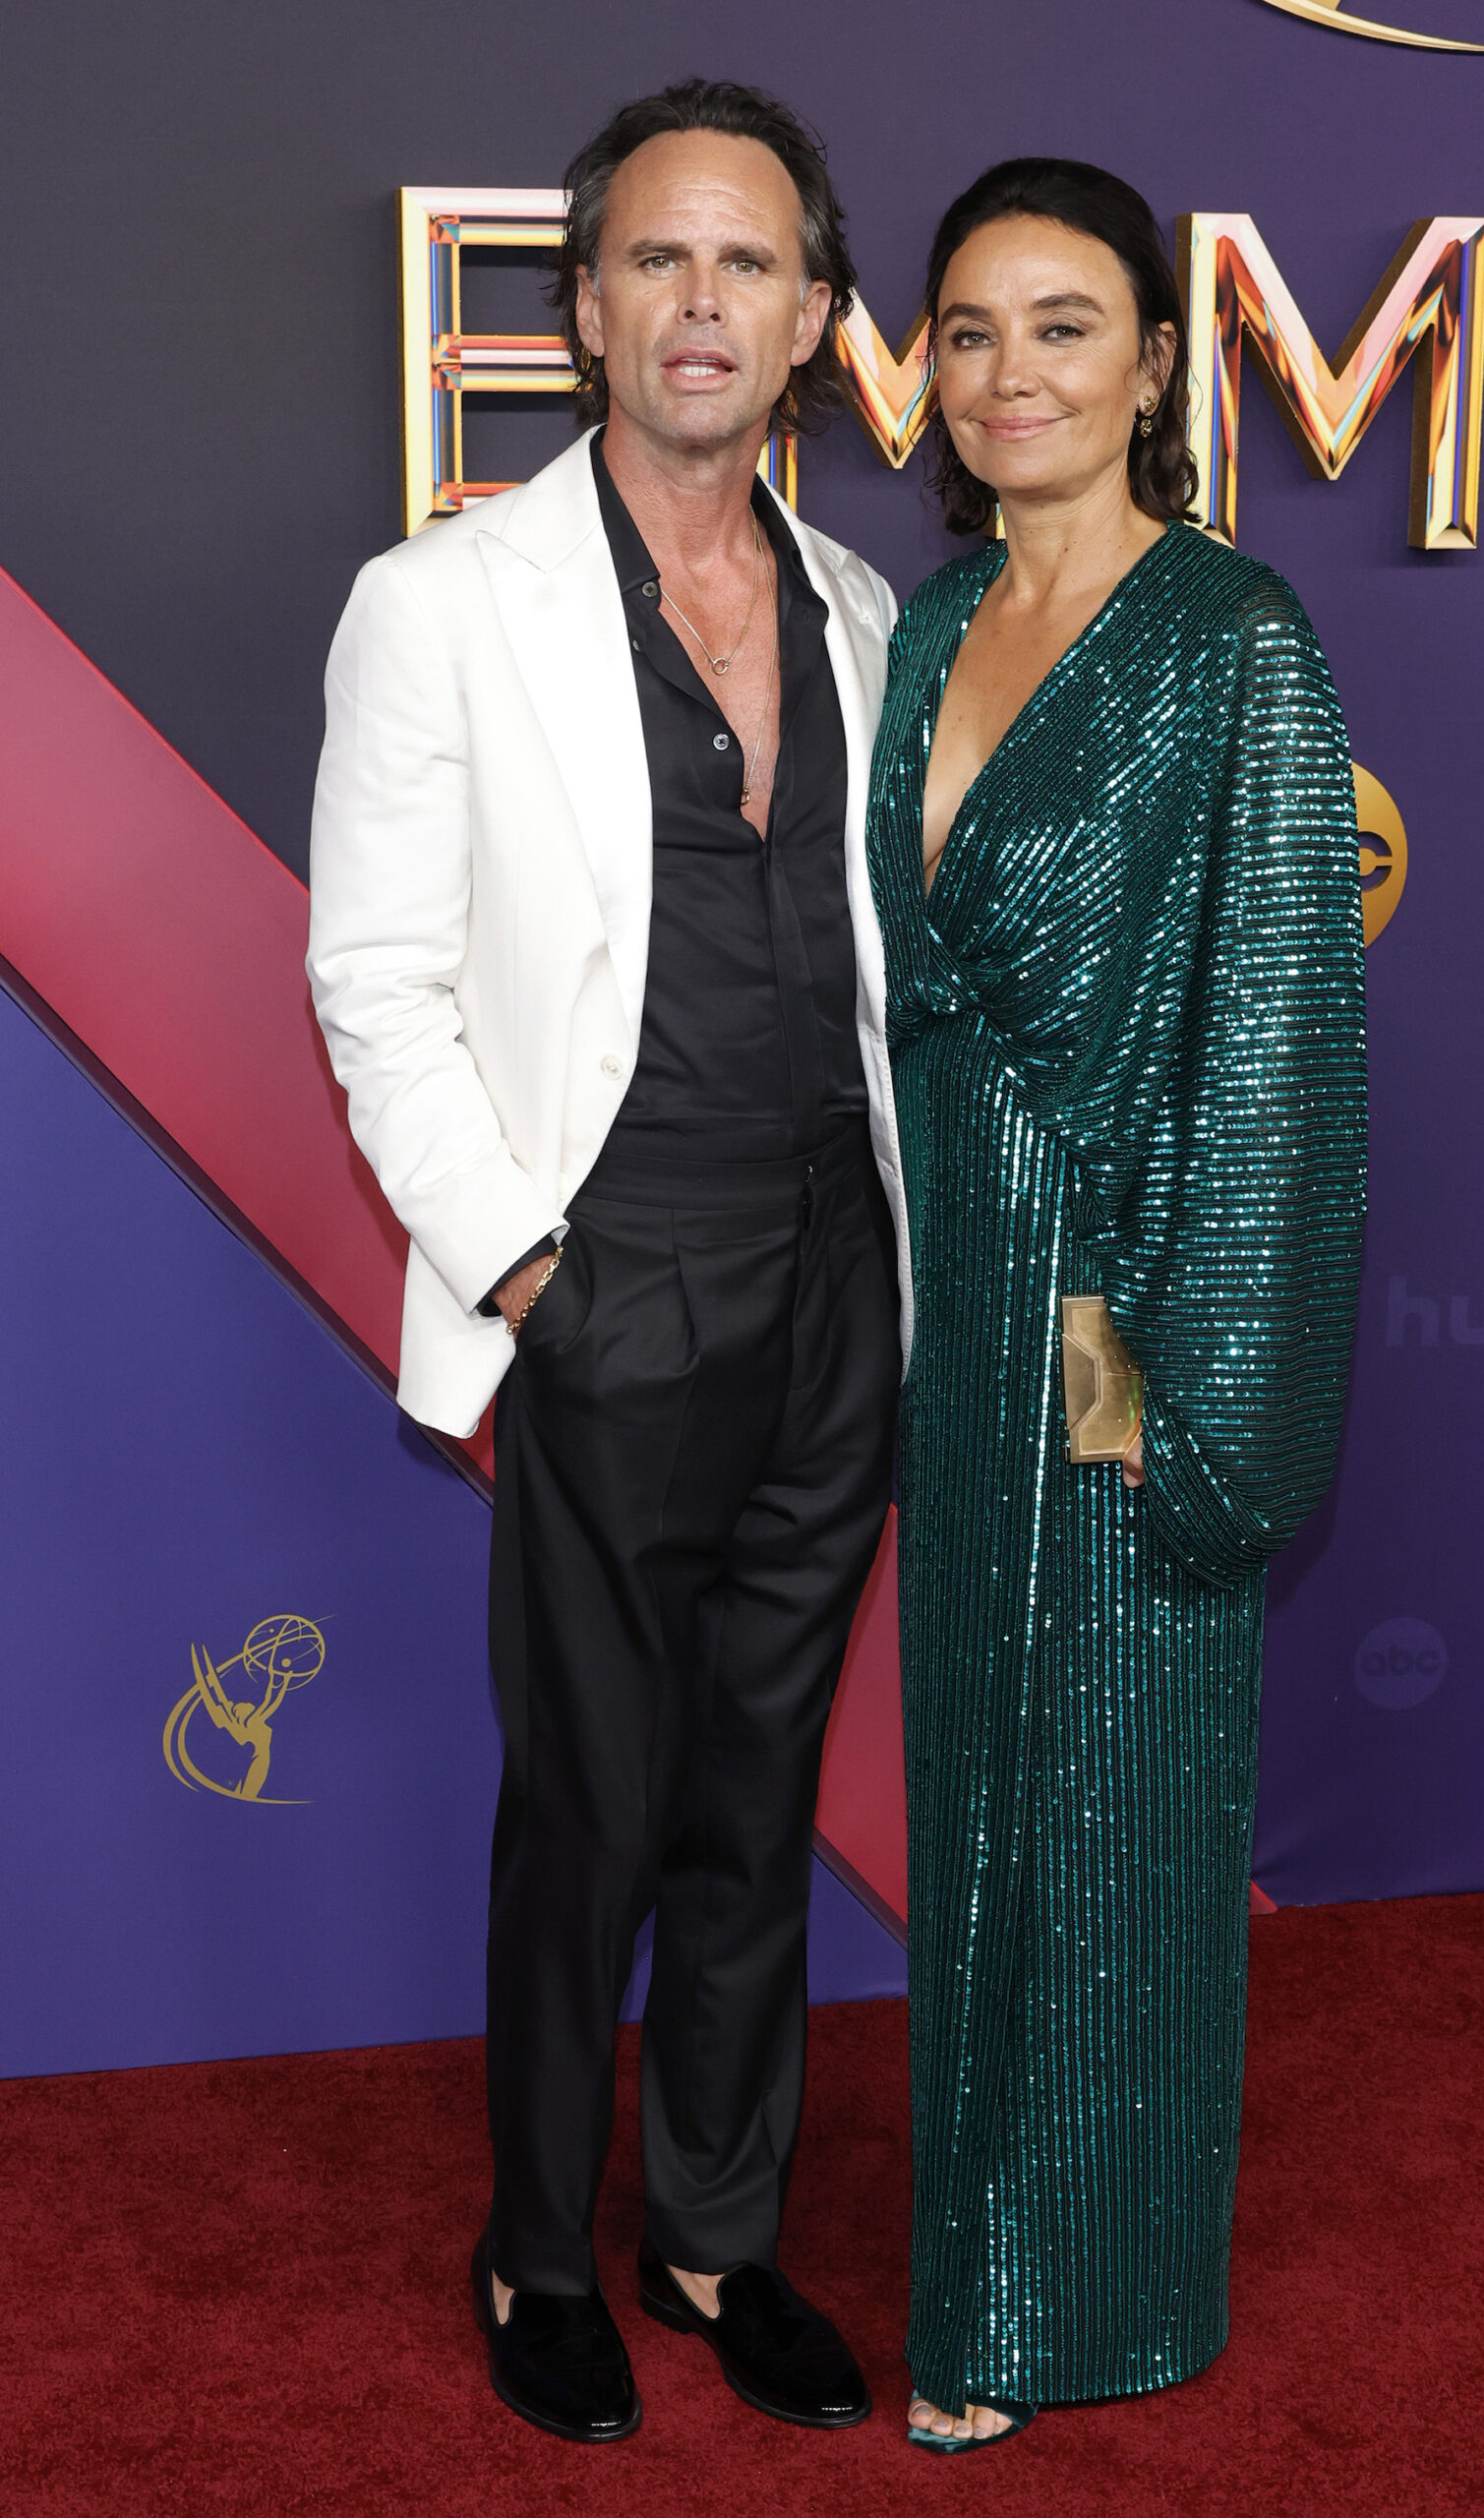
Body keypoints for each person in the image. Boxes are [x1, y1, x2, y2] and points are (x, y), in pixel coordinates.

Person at [308, 80, 909, 2445]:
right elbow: (375, 982)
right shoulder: (442, 600)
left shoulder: (863, 605)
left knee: (755, 1797)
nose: (698, 303)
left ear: (809, 322)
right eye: (655, 259)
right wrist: (538, 1271)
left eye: (746, 265)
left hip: (835, 1280)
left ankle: (712, 2227)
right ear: (580, 306)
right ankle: (536, 2245)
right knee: (589, 1800)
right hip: (608, 1274)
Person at [865, 158, 1367, 2450]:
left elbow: (1271, 1027)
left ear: (1152, 364)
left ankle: (1065, 2293)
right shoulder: (918, 625)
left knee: (1105, 1791)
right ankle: (982, 2243)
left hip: (1124, 1297)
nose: (1007, 375)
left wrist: (1196, 1370)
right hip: (945, 1287)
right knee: (972, 1768)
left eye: (1061, 326)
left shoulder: (1232, 635)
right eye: (966, 331)